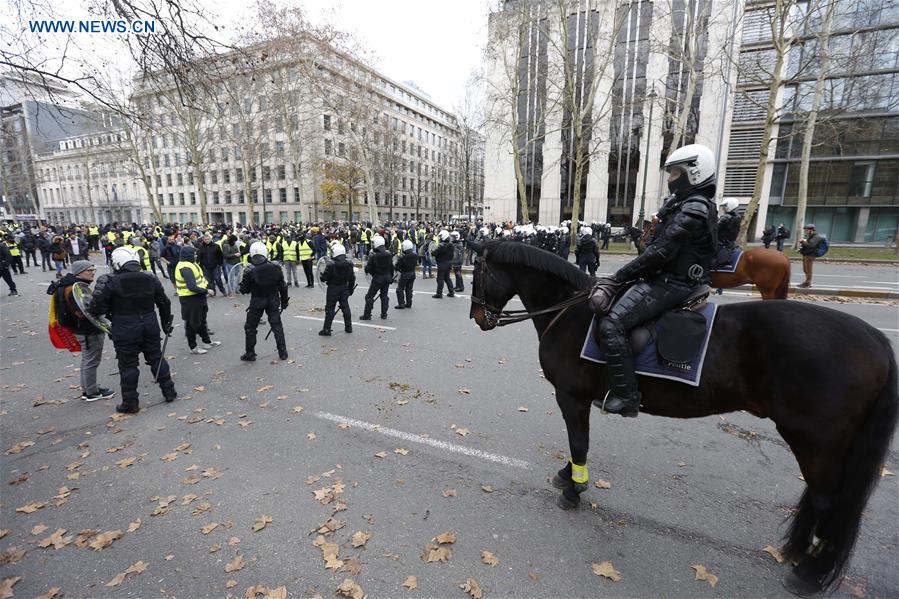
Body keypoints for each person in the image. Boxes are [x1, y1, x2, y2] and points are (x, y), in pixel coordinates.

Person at [590, 143, 718, 418]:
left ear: (693, 173)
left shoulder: (695, 207)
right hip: (664, 276)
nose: (670, 179)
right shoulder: (681, 203)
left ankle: (627, 395)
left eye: (674, 173)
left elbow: (660, 253)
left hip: (673, 283)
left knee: (612, 324)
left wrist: (615, 278)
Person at [89, 246, 177, 414]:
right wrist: (166, 323)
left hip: (125, 327)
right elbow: (164, 302)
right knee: (156, 358)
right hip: (150, 324)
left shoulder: (108, 280)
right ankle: (169, 391)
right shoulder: (150, 278)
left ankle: (131, 403)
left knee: (128, 365)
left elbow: (96, 308)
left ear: (117, 262)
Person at [47, 260, 115, 401]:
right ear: (78, 272)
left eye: (93, 270)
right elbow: (86, 311)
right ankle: (92, 392)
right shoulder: (74, 288)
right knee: (91, 361)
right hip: (88, 330)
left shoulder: (66, 284)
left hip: (80, 329)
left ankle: (88, 390)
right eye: (89, 270)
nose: (92, 273)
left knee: (87, 360)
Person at [239, 242, 289, 361]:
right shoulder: (275, 266)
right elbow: (282, 286)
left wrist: (242, 285)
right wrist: (284, 301)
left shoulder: (249, 270)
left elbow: (244, 290)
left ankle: (250, 353)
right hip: (273, 300)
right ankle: (283, 352)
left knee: (250, 327)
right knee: (277, 325)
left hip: (257, 301)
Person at [174, 245, 220, 354]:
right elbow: (192, 287)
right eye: (193, 254)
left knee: (201, 321)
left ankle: (207, 342)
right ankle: (193, 347)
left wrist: (206, 287)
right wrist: (207, 291)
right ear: (188, 255)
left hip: (198, 297)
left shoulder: (191, 264)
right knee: (192, 324)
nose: (195, 255)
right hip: (190, 299)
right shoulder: (185, 267)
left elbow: (200, 278)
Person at [318, 243, 355, 336]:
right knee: (345, 307)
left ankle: (327, 329)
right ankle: (348, 327)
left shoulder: (331, 264)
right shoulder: (349, 263)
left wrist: (322, 275)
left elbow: (325, 278)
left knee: (330, 309)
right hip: (344, 287)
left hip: (333, 288)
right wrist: (350, 289)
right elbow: (352, 278)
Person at [361, 234, 393, 320]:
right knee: (384, 296)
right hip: (386, 278)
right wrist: (391, 277)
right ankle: (384, 314)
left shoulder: (373, 255)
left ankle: (367, 315)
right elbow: (391, 267)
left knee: (369, 296)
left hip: (377, 278)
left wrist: (367, 269)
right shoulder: (388, 254)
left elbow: (368, 269)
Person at [715, 198, 741, 264]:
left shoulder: (725, 218)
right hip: (732, 244)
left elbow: (714, 229)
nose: (724, 209)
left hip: (721, 244)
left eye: (725, 207)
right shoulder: (737, 217)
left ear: (730, 206)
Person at [394, 239, 417, 310]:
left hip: (405, 274)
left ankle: (401, 304)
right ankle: (409, 303)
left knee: (400, 289)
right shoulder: (415, 255)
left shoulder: (402, 256)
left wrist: (395, 265)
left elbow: (397, 266)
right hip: (412, 273)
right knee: (409, 289)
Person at [798, 224, 823, 288]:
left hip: (810, 255)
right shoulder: (810, 236)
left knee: (808, 270)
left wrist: (803, 241)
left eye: (807, 230)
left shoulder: (816, 237)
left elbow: (811, 245)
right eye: (805, 230)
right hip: (806, 254)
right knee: (805, 269)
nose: (806, 231)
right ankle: (806, 282)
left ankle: (807, 283)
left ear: (811, 230)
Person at [432, 230, 455, 298]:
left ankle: (439, 293)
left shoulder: (442, 245)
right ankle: (451, 291)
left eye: (441, 236)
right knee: (447, 278)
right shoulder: (451, 245)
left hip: (442, 263)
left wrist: (432, 251)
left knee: (440, 279)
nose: (440, 238)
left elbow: (434, 253)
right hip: (449, 263)